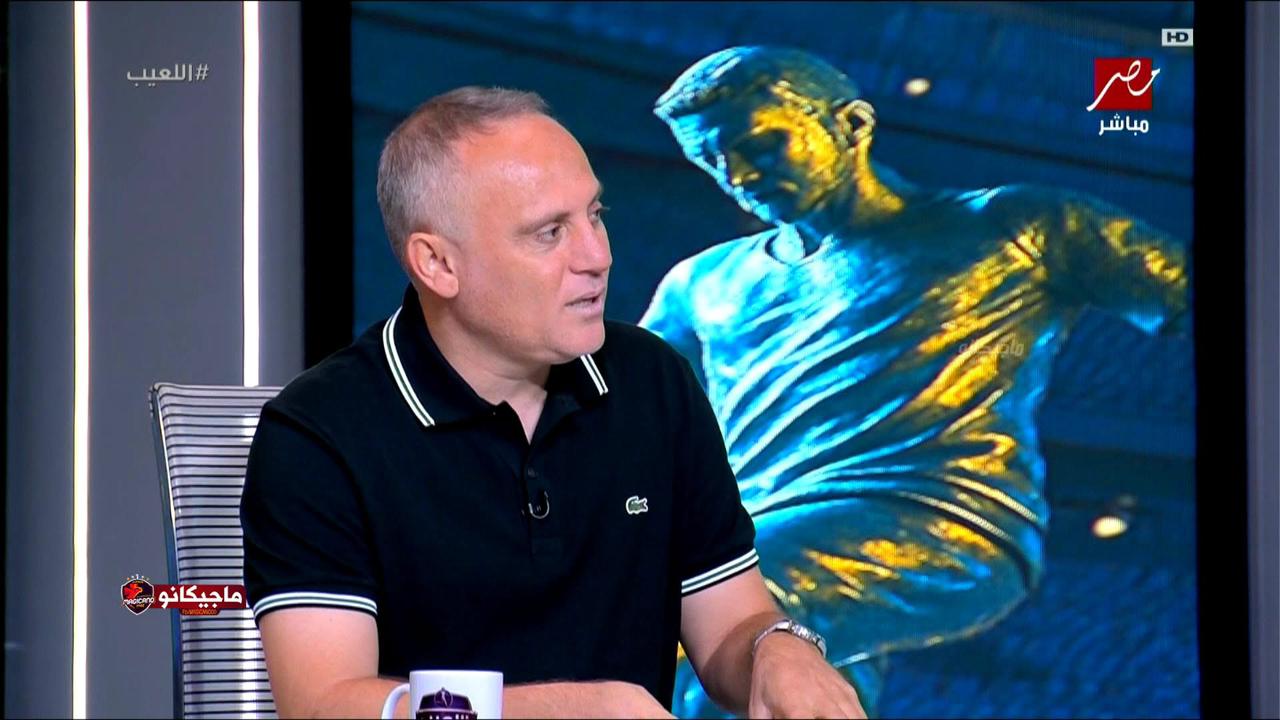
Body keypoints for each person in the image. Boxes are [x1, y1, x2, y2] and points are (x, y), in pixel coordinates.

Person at [239, 85, 866, 719]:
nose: (598, 256)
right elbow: (325, 703)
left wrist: (775, 648)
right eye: (549, 233)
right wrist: (569, 711)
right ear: (437, 264)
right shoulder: (319, 433)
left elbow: (730, 623)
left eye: (595, 214)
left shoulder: (654, 383)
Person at [638, 47, 1190, 717]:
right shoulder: (702, 284)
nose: (739, 175)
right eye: (712, 160)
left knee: (703, 619)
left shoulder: (1016, 228)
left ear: (852, 123)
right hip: (766, 531)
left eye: (761, 144)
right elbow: (617, 418)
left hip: (937, 519)